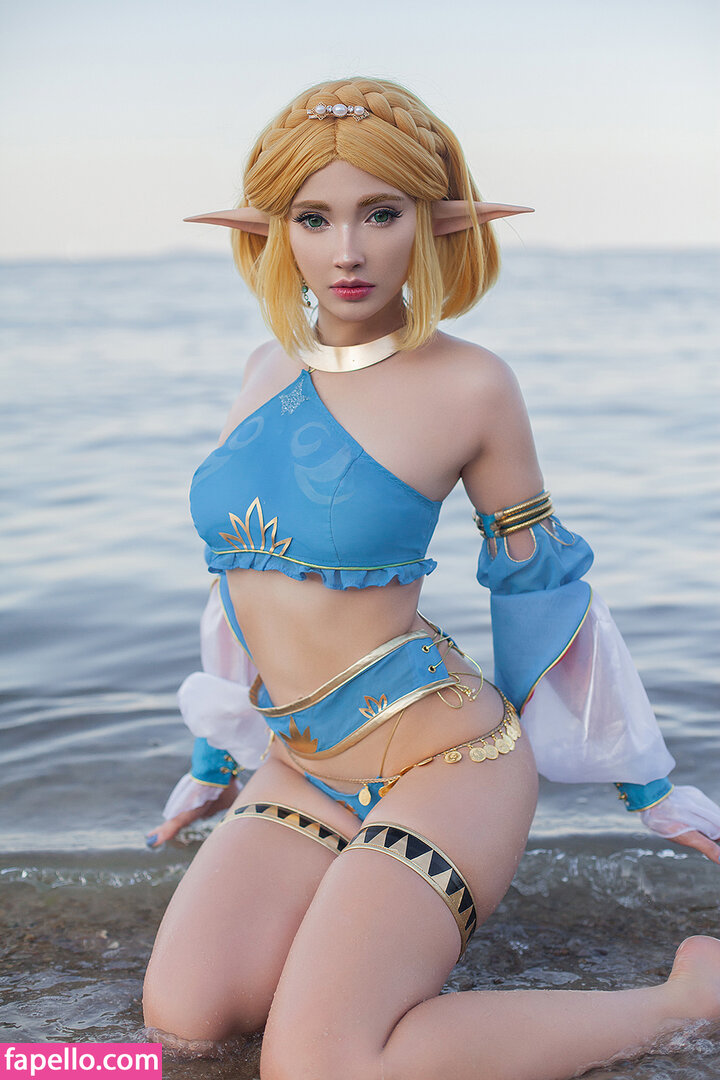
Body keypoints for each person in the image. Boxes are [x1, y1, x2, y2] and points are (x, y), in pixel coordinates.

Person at [142, 78, 720, 1078]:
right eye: (313, 218)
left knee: (318, 1067)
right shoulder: (265, 370)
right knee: (186, 1024)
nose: (347, 251)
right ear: (275, 232)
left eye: (381, 214)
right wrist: (212, 753)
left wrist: (647, 782)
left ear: (433, 222)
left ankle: (688, 999)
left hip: (448, 763)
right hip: (301, 762)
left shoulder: (471, 384)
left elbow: (536, 583)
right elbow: (240, 579)